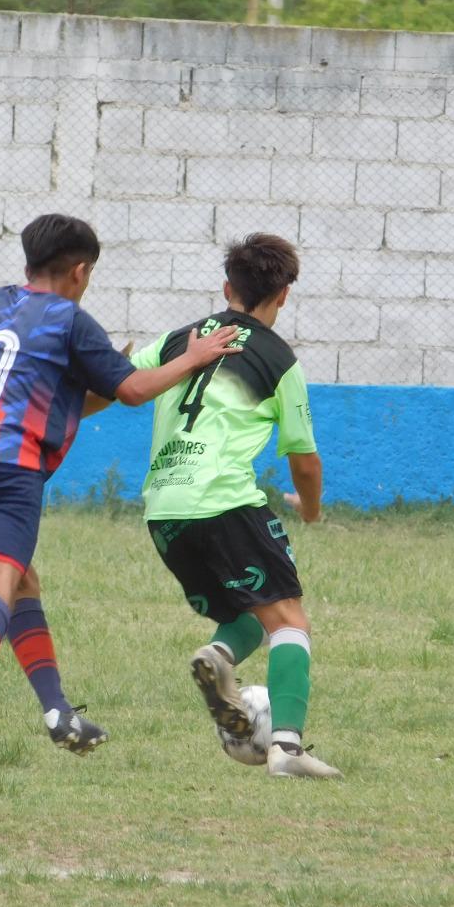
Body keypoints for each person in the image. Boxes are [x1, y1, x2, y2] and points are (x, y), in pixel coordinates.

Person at [0, 213, 238, 766]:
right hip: (6, 464)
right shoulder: (70, 318)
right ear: (81, 271)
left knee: (22, 581)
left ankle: (58, 713)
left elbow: (49, 393)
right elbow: (134, 390)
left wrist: (100, 386)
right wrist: (192, 357)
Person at [125, 232, 342, 779]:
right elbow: (305, 461)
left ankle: (217, 659)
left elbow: (122, 380)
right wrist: (311, 509)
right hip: (223, 500)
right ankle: (287, 750)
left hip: (165, 508)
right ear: (284, 295)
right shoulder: (277, 358)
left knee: (245, 614)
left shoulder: (180, 339)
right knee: (290, 618)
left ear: (227, 288)